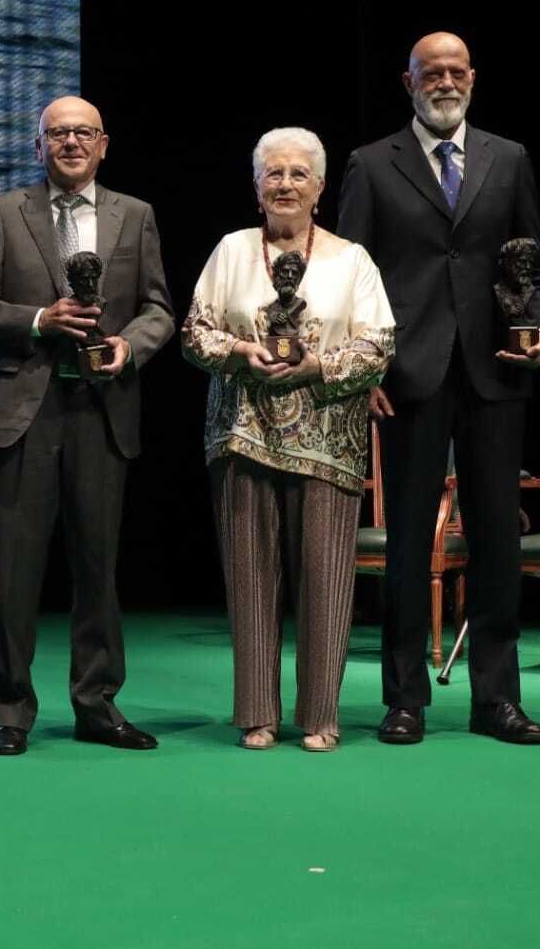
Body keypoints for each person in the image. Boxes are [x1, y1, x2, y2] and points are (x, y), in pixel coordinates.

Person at [338, 32, 540, 745]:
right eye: (429, 72)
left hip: (496, 373)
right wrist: (363, 368)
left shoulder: (510, 158)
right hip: (408, 376)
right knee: (407, 540)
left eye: (455, 71)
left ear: (473, 78)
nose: (444, 81)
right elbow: (350, 279)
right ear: (407, 81)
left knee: (498, 539)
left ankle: (496, 699)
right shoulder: (371, 165)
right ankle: (404, 698)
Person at [0, 96, 173, 756]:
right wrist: (37, 320)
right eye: (58, 134)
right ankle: (10, 711)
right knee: (14, 571)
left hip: (102, 408)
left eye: (83, 133)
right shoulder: (5, 211)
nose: (71, 143)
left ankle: (98, 705)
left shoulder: (135, 216)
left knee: (98, 567)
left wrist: (128, 347)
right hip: (25, 408)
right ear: (39, 147)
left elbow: (159, 308)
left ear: (103, 144)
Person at [182, 128, 394, 752]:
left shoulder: (351, 258)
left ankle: (321, 715)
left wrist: (318, 367)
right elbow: (195, 332)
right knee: (250, 580)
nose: (285, 184)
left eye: (299, 174)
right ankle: (256, 714)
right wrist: (242, 351)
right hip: (243, 434)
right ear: (256, 187)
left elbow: (378, 345)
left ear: (320, 188)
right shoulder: (230, 251)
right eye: (273, 174)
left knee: (326, 583)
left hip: (330, 442)